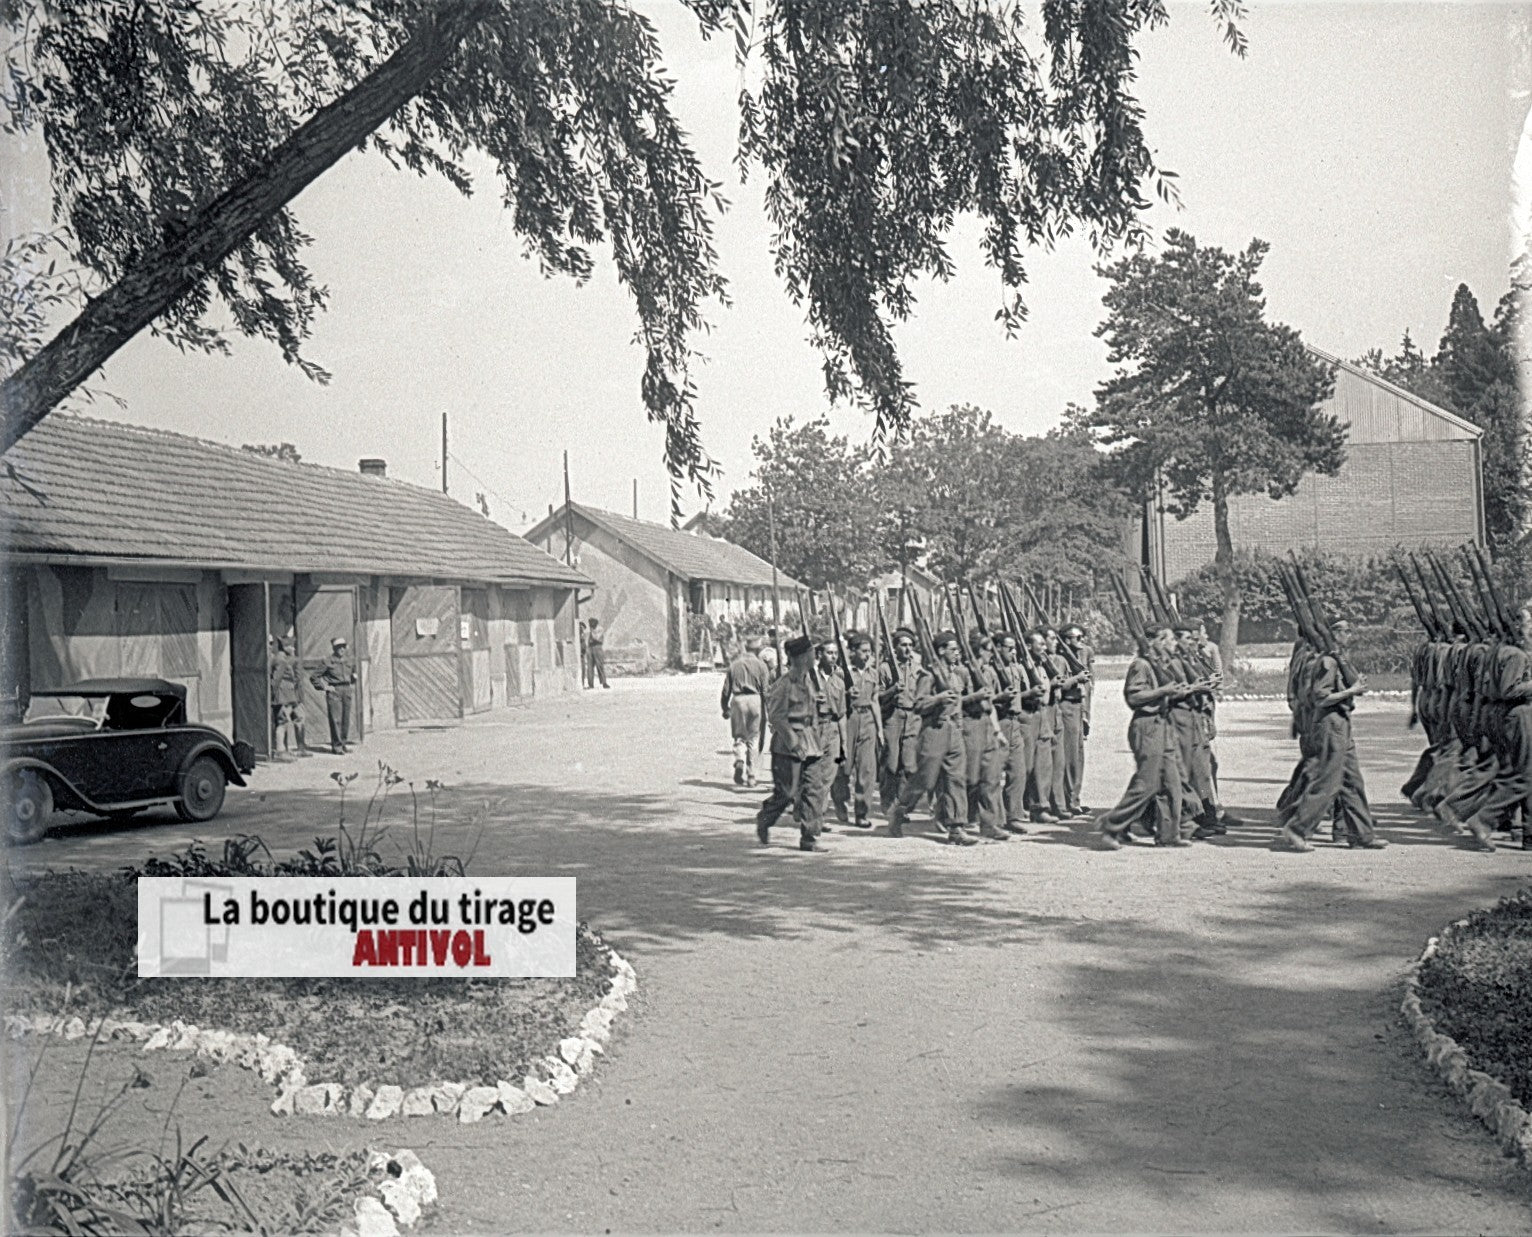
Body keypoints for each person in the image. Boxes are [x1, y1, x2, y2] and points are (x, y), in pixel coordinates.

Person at [1272, 620, 1387, 852]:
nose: (1348, 634)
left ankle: (1361, 834)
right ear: (1332, 634)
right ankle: (1297, 829)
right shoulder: (1326, 662)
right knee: (1328, 781)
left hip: (1342, 723)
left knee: (1352, 781)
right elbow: (1320, 698)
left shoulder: (1335, 659)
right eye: (1343, 631)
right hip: (1330, 724)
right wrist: (1351, 691)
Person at [1094, 625, 1188, 849]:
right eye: (1170, 640)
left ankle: (1168, 835)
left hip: (1162, 726)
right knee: (1147, 783)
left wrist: (1177, 692)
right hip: (1147, 727)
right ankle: (1111, 825)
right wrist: (1163, 691)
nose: (1174, 644)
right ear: (1156, 641)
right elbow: (1134, 697)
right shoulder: (1141, 665)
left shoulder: (1159, 665)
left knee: (1172, 784)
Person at [887, 630, 975, 845]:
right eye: (953, 649)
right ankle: (899, 810)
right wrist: (938, 698)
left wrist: (960, 728)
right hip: (933, 731)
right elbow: (919, 704)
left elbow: (959, 704)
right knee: (924, 779)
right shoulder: (929, 674)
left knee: (956, 779)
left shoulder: (957, 674)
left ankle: (956, 827)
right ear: (941, 650)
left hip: (953, 729)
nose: (957, 653)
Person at [757, 635, 832, 852]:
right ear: (798, 657)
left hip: (812, 742)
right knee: (787, 793)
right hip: (789, 745)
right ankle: (766, 817)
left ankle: (810, 837)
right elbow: (777, 716)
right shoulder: (784, 683)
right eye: (809, 654)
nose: (813, 657)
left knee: (814, 791)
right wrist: (793, 742)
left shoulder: (811, 681)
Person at [962, 631, 1010, 841]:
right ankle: (954, 818)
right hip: (969, 725)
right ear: (977, 651)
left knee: (991, 777)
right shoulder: (962, 672)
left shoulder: (988, 673)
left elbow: (990, 706)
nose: (992, 654)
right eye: (988, 650)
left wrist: (997, 731)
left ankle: (989, 824)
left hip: (986, 726)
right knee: (970, 778)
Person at [832, 631, 883, 829]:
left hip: (868, 720)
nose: (867, 655)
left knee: (867, 769)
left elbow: (875, 700)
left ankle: (862, 812)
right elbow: (833, 699)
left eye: (869, 652)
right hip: (848, 719)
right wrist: (845, 692)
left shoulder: (872, 673)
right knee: (842, 765)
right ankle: (840, 800)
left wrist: (879, 729)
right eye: (863, 651)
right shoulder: (841, 673)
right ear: (852, 652)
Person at [878, 626, 922, 812]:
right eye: (903, 645)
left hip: (912, 716)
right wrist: (892, 690)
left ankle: (901, 804)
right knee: (891, 763)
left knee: (909, 765)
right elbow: (878, 697)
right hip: (893, 716)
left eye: (910, 645)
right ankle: (888, 801)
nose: (908, 649)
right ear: (895, 648)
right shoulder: (885, 668)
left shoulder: (918, 669)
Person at [721, 636, 771, 787]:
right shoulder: (762, 665)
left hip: (738, 701)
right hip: (755, 700)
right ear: (757, 649)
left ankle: (739, 760)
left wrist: (725, 707)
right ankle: (751, 775)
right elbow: (766, 690)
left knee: (739, 736)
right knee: (754, 738)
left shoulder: (734, 665)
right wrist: (768, 710)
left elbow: (726, 690)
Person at [1057, 624, 1094, 817]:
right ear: (1066, 640)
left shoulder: (1079, 656)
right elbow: (1057, 686)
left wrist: (1087, 715)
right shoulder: (1061, 659)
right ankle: (1068, 801)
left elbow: (1089, 688)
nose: (1081, 641)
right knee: (1070, 758)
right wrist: (1076, 679)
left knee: (1078, 758)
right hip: (1067, 708)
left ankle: (1074, 799)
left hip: (1078, 709)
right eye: (1076, 637)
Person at [310, 636, 357, 755]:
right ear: (334, 649)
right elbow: (314, 677)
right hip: (335, 691)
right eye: (339, 647)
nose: (341, 649)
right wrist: (325, 687)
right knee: (336, 720)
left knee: (346, 719)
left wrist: (353, 679)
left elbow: (353, 674)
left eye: (343, 647)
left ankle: (343, 744)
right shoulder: (328, 661)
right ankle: (337, 747)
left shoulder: (349, 660)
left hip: (346, 690)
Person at [269, 636, 304, 759]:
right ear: (284, 647)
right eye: (290, 646)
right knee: (283, 721)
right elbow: (276, 680)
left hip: (285, 694)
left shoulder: (278, 658)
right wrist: (273, 695)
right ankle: (280, 751)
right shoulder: (281, 660)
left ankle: (283, 749)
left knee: (283, 721)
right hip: (282, 694)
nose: (293, 648)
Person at [586, 617, 610, 689]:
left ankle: (604, 682)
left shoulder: (599, 629)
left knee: (600, 665)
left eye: (592, 624)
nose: (590, 625)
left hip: (598, 647)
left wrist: (592, 631)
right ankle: (590, 684)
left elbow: (596, 638)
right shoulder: (589, 630)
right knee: (589, 667)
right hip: (590, 648)